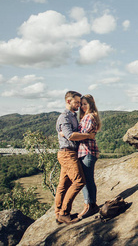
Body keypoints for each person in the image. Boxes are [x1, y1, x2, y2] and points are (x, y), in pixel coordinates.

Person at [55, 91, 96, 224]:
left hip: (72, 152)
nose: (79, 105)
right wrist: (88, 136)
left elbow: (68, 134)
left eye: (81, 103)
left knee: (64, 184)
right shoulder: (64, 117)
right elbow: (71, 135)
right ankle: (64, 213)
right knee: (79, 181)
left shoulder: (74, 116)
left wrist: (66, 134)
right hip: (68, 153)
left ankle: (58, 214)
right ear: (68, 101)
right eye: (77, 102)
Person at [77, 94, 101, 219]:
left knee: (87, 180)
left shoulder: (89, 117)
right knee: (86, 179)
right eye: (81, 104)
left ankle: (91, 205)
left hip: (88, 151)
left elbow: (83, 134)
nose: (82, 106)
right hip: (85, 151)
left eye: (85, 104)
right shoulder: (85, 117)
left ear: (91, 104)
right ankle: (88, 205)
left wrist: (67, 134)